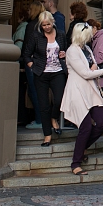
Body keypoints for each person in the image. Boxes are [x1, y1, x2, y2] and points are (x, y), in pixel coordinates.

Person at [61, 22, 103, 176]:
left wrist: (94, 69)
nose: (90, 38)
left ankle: (82, 148)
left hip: (90, 91)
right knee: (86, 126)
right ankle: (76, 163)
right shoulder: (72, 51)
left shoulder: (85, 49)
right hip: (78, 91)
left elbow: (90, 69)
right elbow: (85, 73)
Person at [23, 9, 68, 145]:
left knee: (59, 99)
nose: (46, 27)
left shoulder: (60, 34)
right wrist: (32, 65)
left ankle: (54, 118)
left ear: (52, 22)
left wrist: (63, 54)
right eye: (43, 25)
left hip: (58, 72)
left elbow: (65, 50)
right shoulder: (36, 36)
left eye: (48, 24)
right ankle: (47, 135)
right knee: (43, 105)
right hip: (41, 73)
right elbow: (26, 53)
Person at [21, 1, 45, 129]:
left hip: (32, 62)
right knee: (42, 91)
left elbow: (26, 46)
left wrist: (25, 60)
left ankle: (39, 120)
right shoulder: (45, 25)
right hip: (43, 62)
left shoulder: (31, 26)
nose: (28, 12)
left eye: (30, 10)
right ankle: (43, 119)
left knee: (34, 91)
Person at [88, 20, 103, 90]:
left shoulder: (102, 37)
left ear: (94, 28)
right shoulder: (95, 38)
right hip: (97, 74)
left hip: (101, 76)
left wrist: (92, 62)